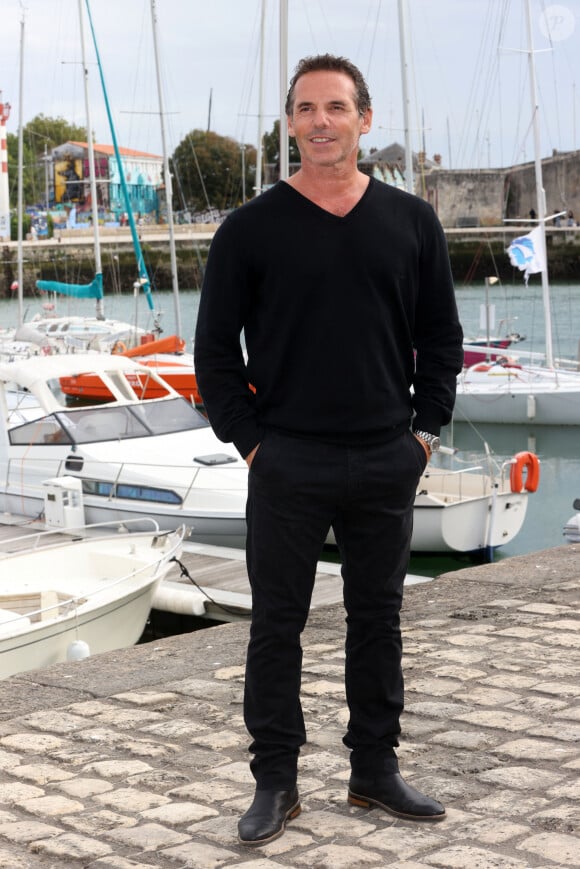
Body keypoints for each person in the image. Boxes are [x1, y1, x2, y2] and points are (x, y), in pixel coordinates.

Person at [194, 54, 464, 846]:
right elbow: (213, 355)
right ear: (290, 124)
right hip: (286, 461)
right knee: (276, 624)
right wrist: (250, 445)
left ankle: (373, 771)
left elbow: (441, 339)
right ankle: (277, 781)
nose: (321, 121)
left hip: (387, 455)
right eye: (306, 108)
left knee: (378, 618)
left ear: (364, 120)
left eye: (336, 107)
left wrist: (424, 432)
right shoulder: (249, 229)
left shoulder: (412, 222)